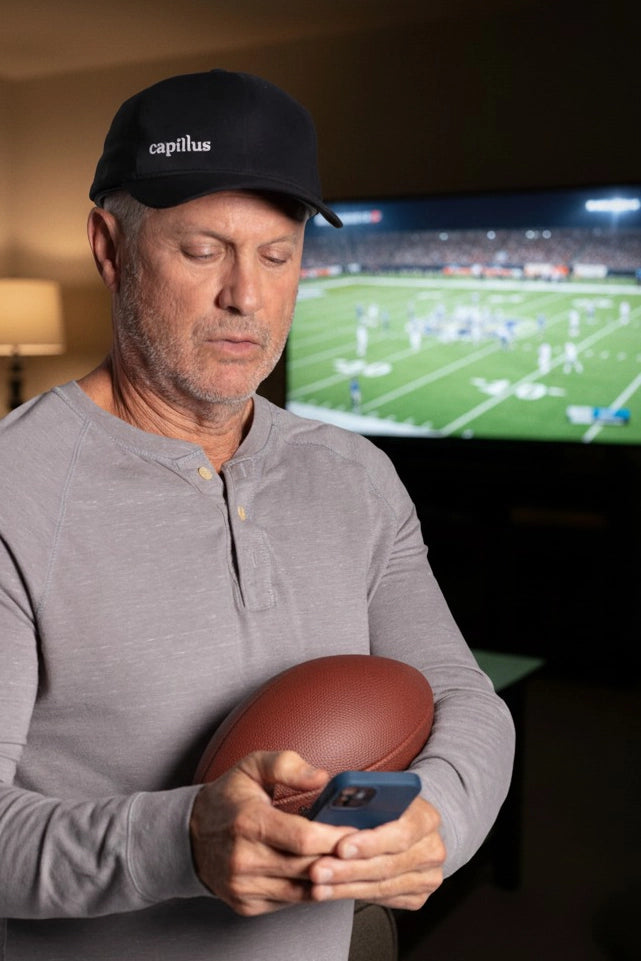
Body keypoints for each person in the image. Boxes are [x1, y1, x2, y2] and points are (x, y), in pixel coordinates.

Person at [0, 69, 515, 961]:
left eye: (277, 255)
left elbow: (463, 697)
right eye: (204, 250)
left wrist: (439, 815)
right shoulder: (16, 487)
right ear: (108, 246)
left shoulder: (355, 474)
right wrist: (181, 841)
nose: (247, 294)